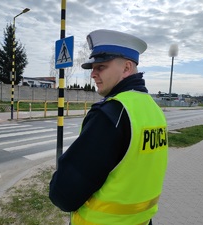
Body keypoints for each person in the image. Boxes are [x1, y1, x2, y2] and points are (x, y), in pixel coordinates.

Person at [49, 29, 168, 225]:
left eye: (101, 67)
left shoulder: (112, 113)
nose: (93, 74)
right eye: (92, 68)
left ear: (127, 68)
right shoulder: (154, 109)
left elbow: (64, 194)